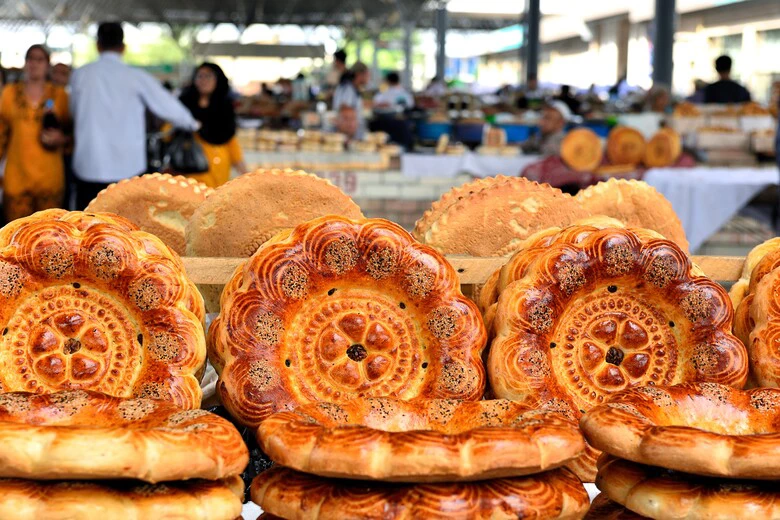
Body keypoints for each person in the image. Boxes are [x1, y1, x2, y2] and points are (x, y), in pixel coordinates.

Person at [70, 22, 198, 209]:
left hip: (89, 165)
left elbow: (74, 112)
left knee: (86, 226)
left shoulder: (80, 75)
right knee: (124, 229)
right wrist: (193, 124)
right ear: (123, 47)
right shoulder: (136, 76)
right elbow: (167, 106)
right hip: (127, 168)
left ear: (98, 46)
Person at [0, 45, 69, 222]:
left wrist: (60, 139)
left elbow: (72, 133)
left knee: (49, 237)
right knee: (14, 237)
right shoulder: (9, 93)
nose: (34, 64)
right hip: (17, 178)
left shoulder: (60, 95)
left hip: (50, 179)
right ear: (25, 63)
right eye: (30, 58)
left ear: (47, 65)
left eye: (40, 59)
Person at [179, 63, 247, 188]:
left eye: (209, 76)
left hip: (218, 170)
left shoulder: (225, 107)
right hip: (189, 169)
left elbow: (230, 139)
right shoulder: (183, 106)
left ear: (218, 79)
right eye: (200, 76)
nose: (204, 80)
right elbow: (167, 133)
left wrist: (243, 171)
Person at [333, 62, 370, 139]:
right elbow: (345, 112)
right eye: (367, 75)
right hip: (349, 135)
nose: (368, 78)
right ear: (359, 74)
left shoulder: (352, 88)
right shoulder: (347, 89)